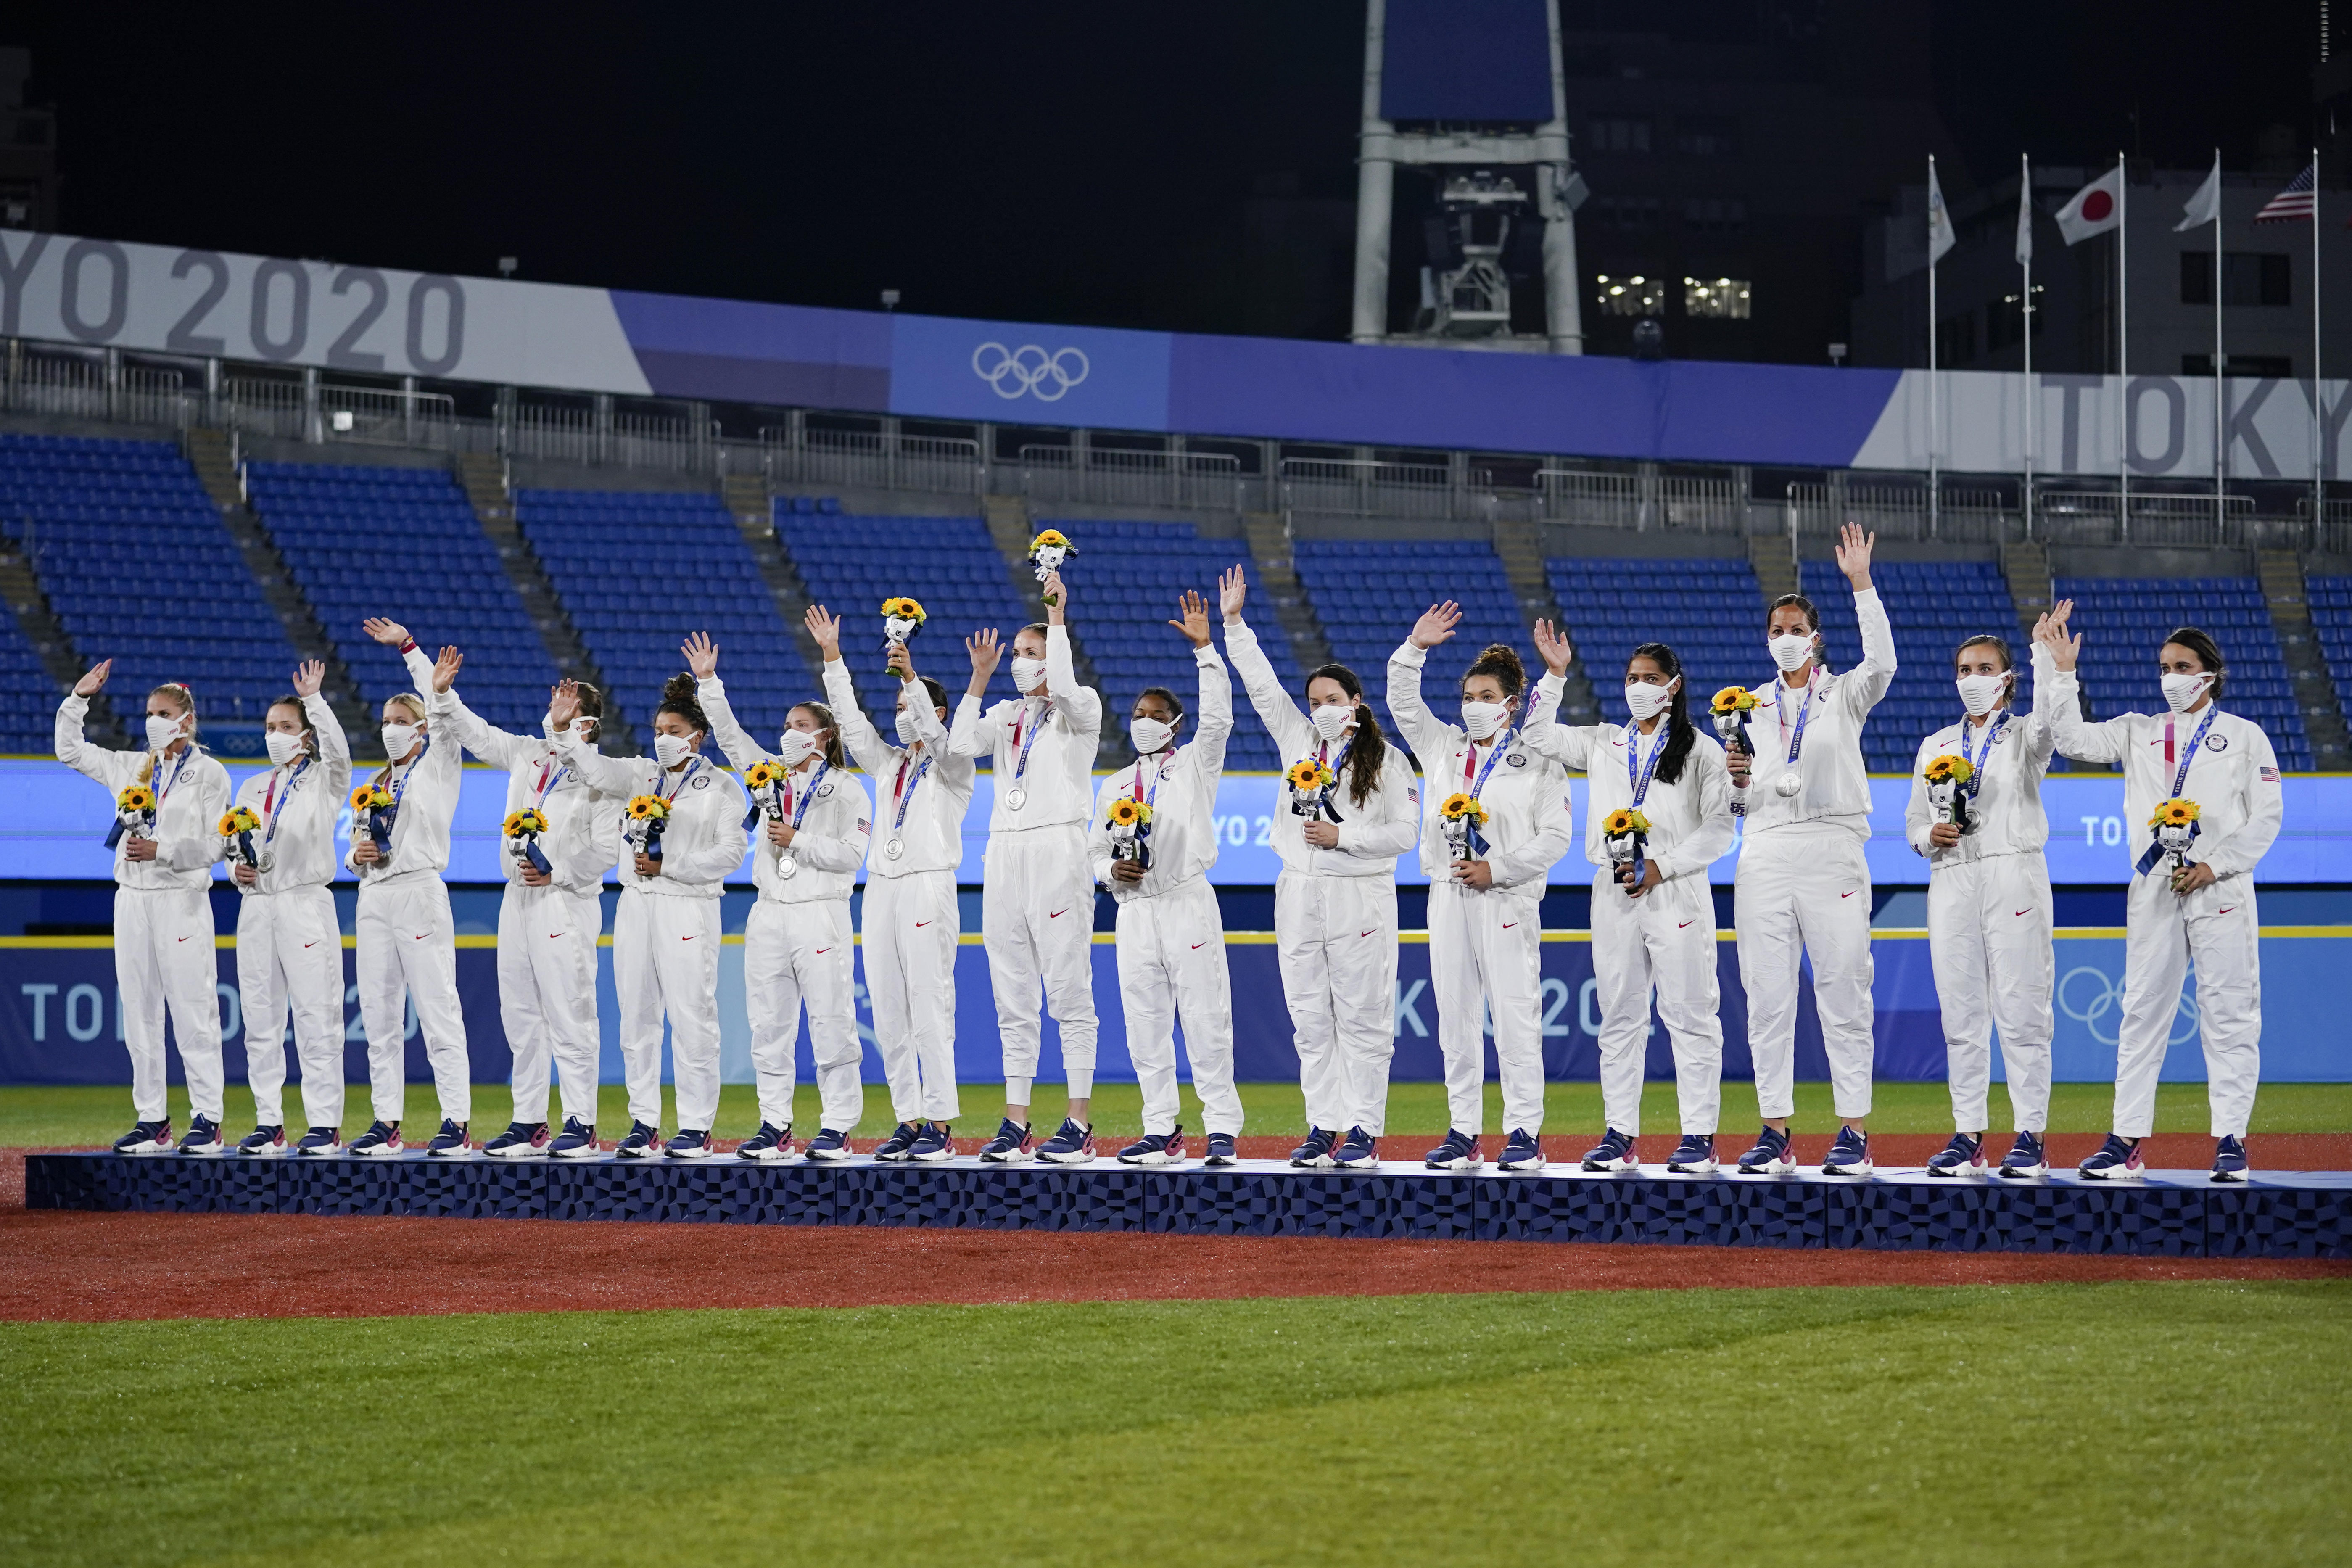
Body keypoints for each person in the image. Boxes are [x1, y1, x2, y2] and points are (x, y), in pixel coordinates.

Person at [2034, 604, 2281, 1183]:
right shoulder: (2136, 730)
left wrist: (2213, 864)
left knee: (2229, 1014)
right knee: (2141, 1012)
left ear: (2208, 675)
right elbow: (2070, 737)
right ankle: (2125, 1140)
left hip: (2217, 888)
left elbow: (2265, 819)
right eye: (2163, 666)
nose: (2169, 676)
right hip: (2153, 888)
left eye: (2181, 665)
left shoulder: (2244, 738)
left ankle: (2229, 1141)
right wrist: (2059, 671)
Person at [1225, 578, 1420, 1170]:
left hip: (1359, 893)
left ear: (1356, 701)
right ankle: (1323, 1123)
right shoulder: (1298, 741)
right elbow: (1260, 688)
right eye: (1314, 700)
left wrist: (1345, 837)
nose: (1321, 708)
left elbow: (1406, 835)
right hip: (1298, 890)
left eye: (1332, 698)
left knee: (1362, 1017)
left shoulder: (1387, 760)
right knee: (1309, 1017)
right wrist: (1234, 626)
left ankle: (1362, 1128)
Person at [1526, 629, 1734, 1174]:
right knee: (1618, 1014)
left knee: (1689, 1011)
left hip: (1672, 885)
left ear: (1673, 686)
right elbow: (1536, 735)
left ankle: (1698, 1136)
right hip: (1613, 886)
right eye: (1631, 679)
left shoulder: (1700, 750)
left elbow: (1718, 829)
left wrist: (1662, 865)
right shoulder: (1603, 742)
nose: (1638, 687)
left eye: (1649, 679)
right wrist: (1553, 674)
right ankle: (1619, 1132)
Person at [1725, 523, 1893, 1177]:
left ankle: (1852, 1129)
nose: (1784, 636)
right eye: (1775, 629)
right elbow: (1733, 807)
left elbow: (1883, 666)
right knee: (1765, 992)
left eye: (1794, 626)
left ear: (1814, 637)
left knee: (1843, 984)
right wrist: (1738, 783)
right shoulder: (1743, 706)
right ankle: (1774, 1129)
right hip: (1763, 847)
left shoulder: (1843, 693)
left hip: (1831, 842)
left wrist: (1861, 585)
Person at [1389, 605, 1575, 1172]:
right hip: (1447, 895)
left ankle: (1523, 1131)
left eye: (1485, 694)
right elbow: (1401, 701)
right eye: (1467, 695)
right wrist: (1413, 647)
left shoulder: (1537, 759)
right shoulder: (1441, 747)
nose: (1472, 705)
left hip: (1504, 898)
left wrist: (1500, 868)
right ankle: (1463, 1129)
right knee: (1456, 1018)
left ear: (1510, 703)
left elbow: (1557, 837)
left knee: (1515, 1015)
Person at [687, 630, 873, 1162]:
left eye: (800, 726)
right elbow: (728, 733)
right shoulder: (768, 776)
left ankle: (837, 1125)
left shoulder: (848, 788)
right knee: (768, 1025)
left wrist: (800, 841)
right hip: (768, 913)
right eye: (787, 725)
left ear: (825, 736)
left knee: (832, 1021)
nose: (789, 733)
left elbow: (851, 856)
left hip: (821, 913)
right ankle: (776, 1124)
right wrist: (709, 682)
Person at [551, 673, 748, 1159]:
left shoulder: (721, 787)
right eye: (659, 730)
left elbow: (732, 853)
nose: (663, 738)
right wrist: (561, 731)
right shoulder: (641, 775)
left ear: (697, 737)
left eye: (674, 730)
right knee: (637, 1016)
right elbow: (594, 771)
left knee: (691, 1015)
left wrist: (672, 866)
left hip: (688, 905)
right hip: (637, 901)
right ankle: (644, 1121)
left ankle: (697, 1125)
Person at [428, 659, 619, 1160]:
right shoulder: (528, 754)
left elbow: (606, 851)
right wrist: (444, 693)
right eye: (554, 706)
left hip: (566, 900)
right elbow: (475, 732)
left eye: (568, 710)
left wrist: (560, 871)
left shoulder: (602, 777)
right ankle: (531, 1120)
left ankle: (582, 1121)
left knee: (570, 1011)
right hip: (517, 896)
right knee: (520, 1013)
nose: (555, 712)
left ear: (588, 724)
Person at [951, 571, 1106, 1165]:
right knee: (1012, 993)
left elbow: (1063, 686)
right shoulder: (1006, 712)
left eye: (1029, 653)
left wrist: (1058, 617)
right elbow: (960, 745)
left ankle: (1078, 1122)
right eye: (1016, 653)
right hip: (1004, 851)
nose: (1020, 661)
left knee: (1068, 988)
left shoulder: (1080, 706)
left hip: (1057, 849)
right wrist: (979, 678)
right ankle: (1016, 1122)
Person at [1085, 582, 1239, 1166]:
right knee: (1144, 1024)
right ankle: (1161, 1129)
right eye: (1137, 714)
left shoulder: (1196, 765)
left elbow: (1220, 719)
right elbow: (1092, 851)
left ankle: (1220, 1127)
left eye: (1156, 716)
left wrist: (1205, 650)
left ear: (1176, 724)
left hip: (1183, 900)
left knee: (1204, 1017)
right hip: (1133, 909)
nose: (1144, 722)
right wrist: (1108, 870)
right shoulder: (1115, 784)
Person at [814, 606, 974, 1161]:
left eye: (911, 707)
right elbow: (853, 722)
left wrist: (909, 675)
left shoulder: (954, 765)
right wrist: (833, 659)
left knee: (929, 1005)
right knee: (888, 1009)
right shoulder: (888, 767)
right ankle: (908, 1117)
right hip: (880, 887)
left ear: (937, 712)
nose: (902, 714)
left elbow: (935, 735)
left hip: (927, 884)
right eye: (898, 707)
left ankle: (941, 1122)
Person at [58, 663, 232, 1154]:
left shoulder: (210, 773)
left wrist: (165, 851)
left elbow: (217, 845)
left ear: (187, 720)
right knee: (139, 1012)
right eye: (150, 713)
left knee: (194, 1010)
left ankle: (208, 1118)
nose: (154, 721)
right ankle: (152, 1117)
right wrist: (79, 697)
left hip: (180, 898)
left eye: (164, 713)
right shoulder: (132, 765)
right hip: (131, 899)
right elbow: (70, 750)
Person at [1903, 633, 2057, 1180]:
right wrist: (1928, 835)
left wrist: (2048, 660)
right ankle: (1967, 1134)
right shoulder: (1935, 743)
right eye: (1964, 668)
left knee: (2021, 1010)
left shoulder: (2024, 736)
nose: (1971, 678)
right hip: (1950, 875)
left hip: (2010, 868)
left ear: (2006, 678)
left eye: (1984, 668)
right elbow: (1912, 823)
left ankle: (2030, 1135)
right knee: (1960, 1016)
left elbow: (2049, 722)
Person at [345, 621, 473, 1157]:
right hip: (374, 895)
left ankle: (456, 1121)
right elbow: (352, 852)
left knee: (438, 1006)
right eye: (386, 721)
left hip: (419, 889)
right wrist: (358, 856)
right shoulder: (376, 785)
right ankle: (387, 1121)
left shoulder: (437, 765)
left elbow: (444, 715)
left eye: (402, 721)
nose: (392, 728)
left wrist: (412, 653)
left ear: (421, 729)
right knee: (378, 1013)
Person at [222, 661, 351, 1156]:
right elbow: (238, 848)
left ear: (306, 735)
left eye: (286, 727)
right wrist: (238, 871)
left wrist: (315, 699)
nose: (275, 735)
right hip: (256, 906)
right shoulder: (252, 786)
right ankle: (269, 1120)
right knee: (260, 1019)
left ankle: (324, 1123)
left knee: (316, 1015)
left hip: (303, 901)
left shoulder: (326, 778)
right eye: (271, 727)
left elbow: (341, 753)